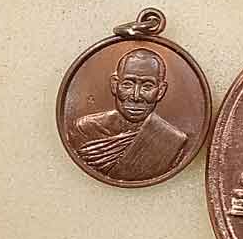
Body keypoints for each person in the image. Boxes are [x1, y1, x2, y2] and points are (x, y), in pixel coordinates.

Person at [72, 48, 187, 181]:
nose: (136, 96)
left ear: (160, 91)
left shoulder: (172, 141)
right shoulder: (86, 129)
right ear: (114, 85)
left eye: (147, 86)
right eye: (127, 84)